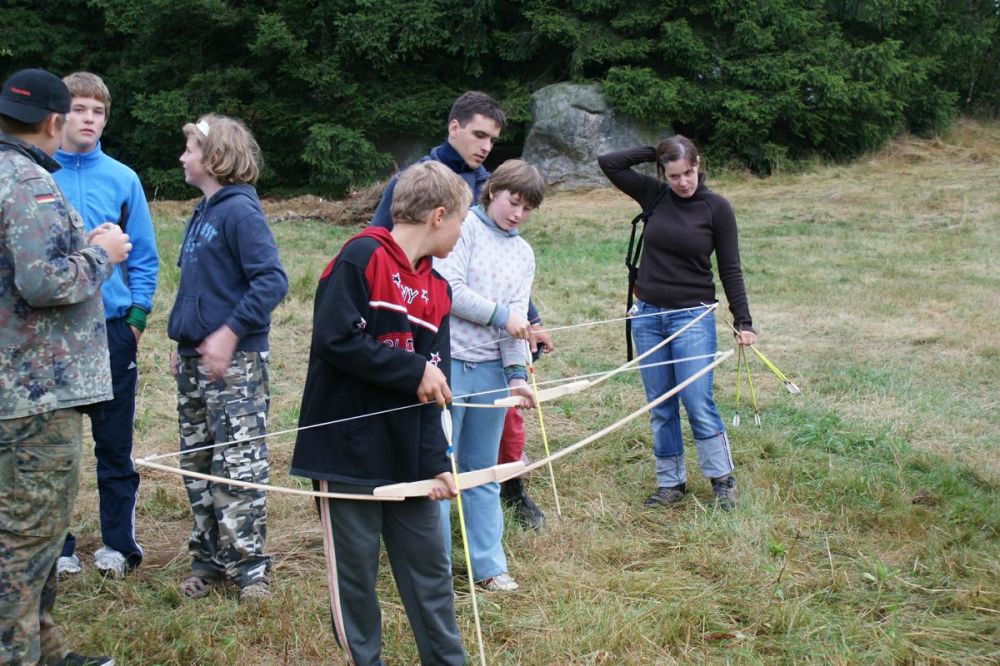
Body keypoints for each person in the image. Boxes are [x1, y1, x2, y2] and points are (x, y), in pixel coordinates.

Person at [291, 161, 469, 665]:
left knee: (431, 570)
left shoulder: (439, 290)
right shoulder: (361, 256)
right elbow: (335, 339)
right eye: (461, 221)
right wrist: (412, 370)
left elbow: (437, 386)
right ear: (438, 216)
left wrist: (437, 461)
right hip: (346, 456)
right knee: (356, 579)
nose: (462, 233)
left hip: (410, 457)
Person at [372, 91, 553, 527]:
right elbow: (382, 248)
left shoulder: (488, 183)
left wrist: (529, 320)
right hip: (430, 335)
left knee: (486, 450)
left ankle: (510, 495)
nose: (486, 146)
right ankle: (411, 530)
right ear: (454, 128)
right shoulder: (419, 178)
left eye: (492, 139)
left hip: (489, 352)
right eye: (479, 135)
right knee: (430, 447)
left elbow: (506, 277)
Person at [1, 67, 131, 666]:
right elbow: (43, 281)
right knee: (26, 537)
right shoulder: (28, 182)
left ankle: (43, 647)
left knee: (35, 530)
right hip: (33, 392)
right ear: (53, 121)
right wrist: (102, 255)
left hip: (20, 387)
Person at [598, 136, 757, 511]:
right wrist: (654, 150)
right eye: (673, 175)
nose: (683, 182)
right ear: (662, 174)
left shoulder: (716, 208)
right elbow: (609, 162)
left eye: (688, 172)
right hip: (648, 316)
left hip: (692, 317)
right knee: (661, 404)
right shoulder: (653, 195)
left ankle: (722, 482)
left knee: (696, 399)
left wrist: (744, 320)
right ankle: (670, 483)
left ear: (698, 165)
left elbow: (730, 268)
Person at [167, 114, 288, 602]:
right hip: (195, 363)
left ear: (215, 157)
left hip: (236, 365)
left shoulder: (240, 212)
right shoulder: (202, 212)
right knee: (198, 462)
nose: (182, 157)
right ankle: (209, 561)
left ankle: (249, 569)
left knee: (239, 464)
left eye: (190, 149)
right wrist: (183, 344)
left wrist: (229, 334)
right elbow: (200, 288)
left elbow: (272, 280)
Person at [52, 71, 159, 578]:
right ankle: (57, 547)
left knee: (114, 446)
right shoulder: (35, 176)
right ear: (59, 115)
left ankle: (118, 544)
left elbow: (145, 257)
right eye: (79, 109)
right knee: (55, 448)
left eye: (97, 112)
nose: (88, 119)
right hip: (52, 333)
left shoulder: (123, 178)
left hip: (112, 331)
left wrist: (136, 319)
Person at [433, 159, 546, 591]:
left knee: (483, 471)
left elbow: (518, 319)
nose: (517, 214)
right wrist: (502, 317)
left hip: (491, 374)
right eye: (512, 202)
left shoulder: (524, 254)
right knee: (440, 471)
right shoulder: (463, 229)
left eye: (527, 208)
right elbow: (449, 290)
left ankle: (490, 567)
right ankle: (434, 572)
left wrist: (517, 376)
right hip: (446, 367)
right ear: (493, 190)